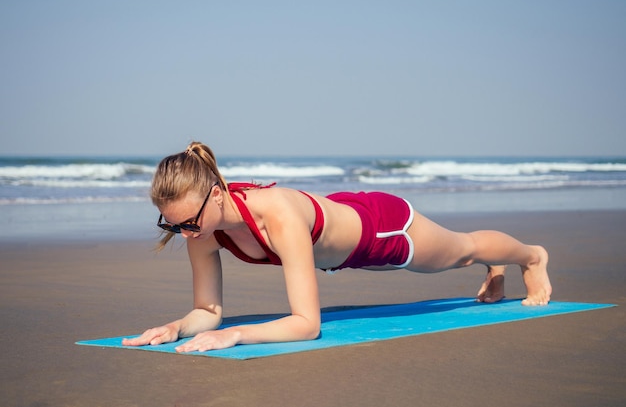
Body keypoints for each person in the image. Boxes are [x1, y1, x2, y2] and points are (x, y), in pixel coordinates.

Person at [123, 141, 551, 353]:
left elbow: (307, 324)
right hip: (339, 236)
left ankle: (531, 256)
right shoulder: (202, 231)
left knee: (464, 251)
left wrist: (234, 335)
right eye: (173, 225)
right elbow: (207, 311)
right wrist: (177, 327)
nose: (186, 234)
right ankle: (497, 269)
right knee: (462, 256)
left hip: (381, 231)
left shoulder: (279, 215)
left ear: (216, 194)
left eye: (190, 221)